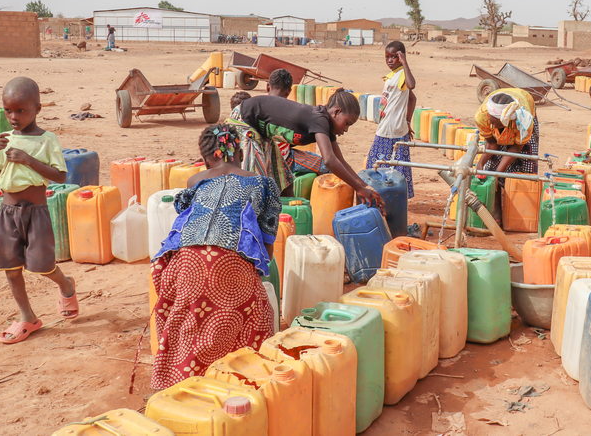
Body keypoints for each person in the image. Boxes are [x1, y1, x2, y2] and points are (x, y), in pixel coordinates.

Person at [150, 124, 280, 389]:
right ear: (238, 153)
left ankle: (178, 387)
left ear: (209, 158)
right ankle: (239, 382)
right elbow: (266, 247)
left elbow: (186, 223)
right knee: (258, 317)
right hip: (229, 262)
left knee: (187, 322)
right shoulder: (261, 183)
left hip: (181, 262)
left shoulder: (195, 181)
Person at [0, 77, 78, 344]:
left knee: (43, 265)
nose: (13, 117)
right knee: (11, 268)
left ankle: (66, 284)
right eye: (8, 110)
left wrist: (28, 159)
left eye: (21, 110)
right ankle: (27, 317)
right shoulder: (4, 140)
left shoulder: (47, 140)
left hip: (36, 212)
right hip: (7, 212)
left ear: (37, 108)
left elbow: (60, 176)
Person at [227, 89, 384, 207]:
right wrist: (357, 187)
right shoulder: (319, 118)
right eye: (347, 123)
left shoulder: (326, 126)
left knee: (284, 180)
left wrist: (365, 187)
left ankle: (290, 220)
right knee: (257, 184)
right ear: (336, 112)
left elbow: (340, 161)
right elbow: (329, 160)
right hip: (244, 121)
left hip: (263, 133)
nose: (346, 129)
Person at [475, 88, 539, 220]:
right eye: (490, 121)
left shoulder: (523, 120)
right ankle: (497, 211)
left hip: (521, 120)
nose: (492, 126)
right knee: (492, 172)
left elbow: (516, 149)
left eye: (495, 123)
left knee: (523, 171)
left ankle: (519, 215)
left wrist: (499, 172)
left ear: (506, 121)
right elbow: (492, 145)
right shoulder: (483, 116)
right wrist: (481, 163)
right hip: (503, 118)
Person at [365, 41, 417, 198]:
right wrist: (407, 122)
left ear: (401, 57)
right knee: (393, 165)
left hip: (390, 130)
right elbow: (412, 99)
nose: (389, 60)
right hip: (390, 127)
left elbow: (412, 86)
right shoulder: (392, 76)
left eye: (394, 57)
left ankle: (385, 196)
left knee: (375, 164)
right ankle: (390, 195)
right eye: (387, 57)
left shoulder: (402, 74)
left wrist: (405, 63)